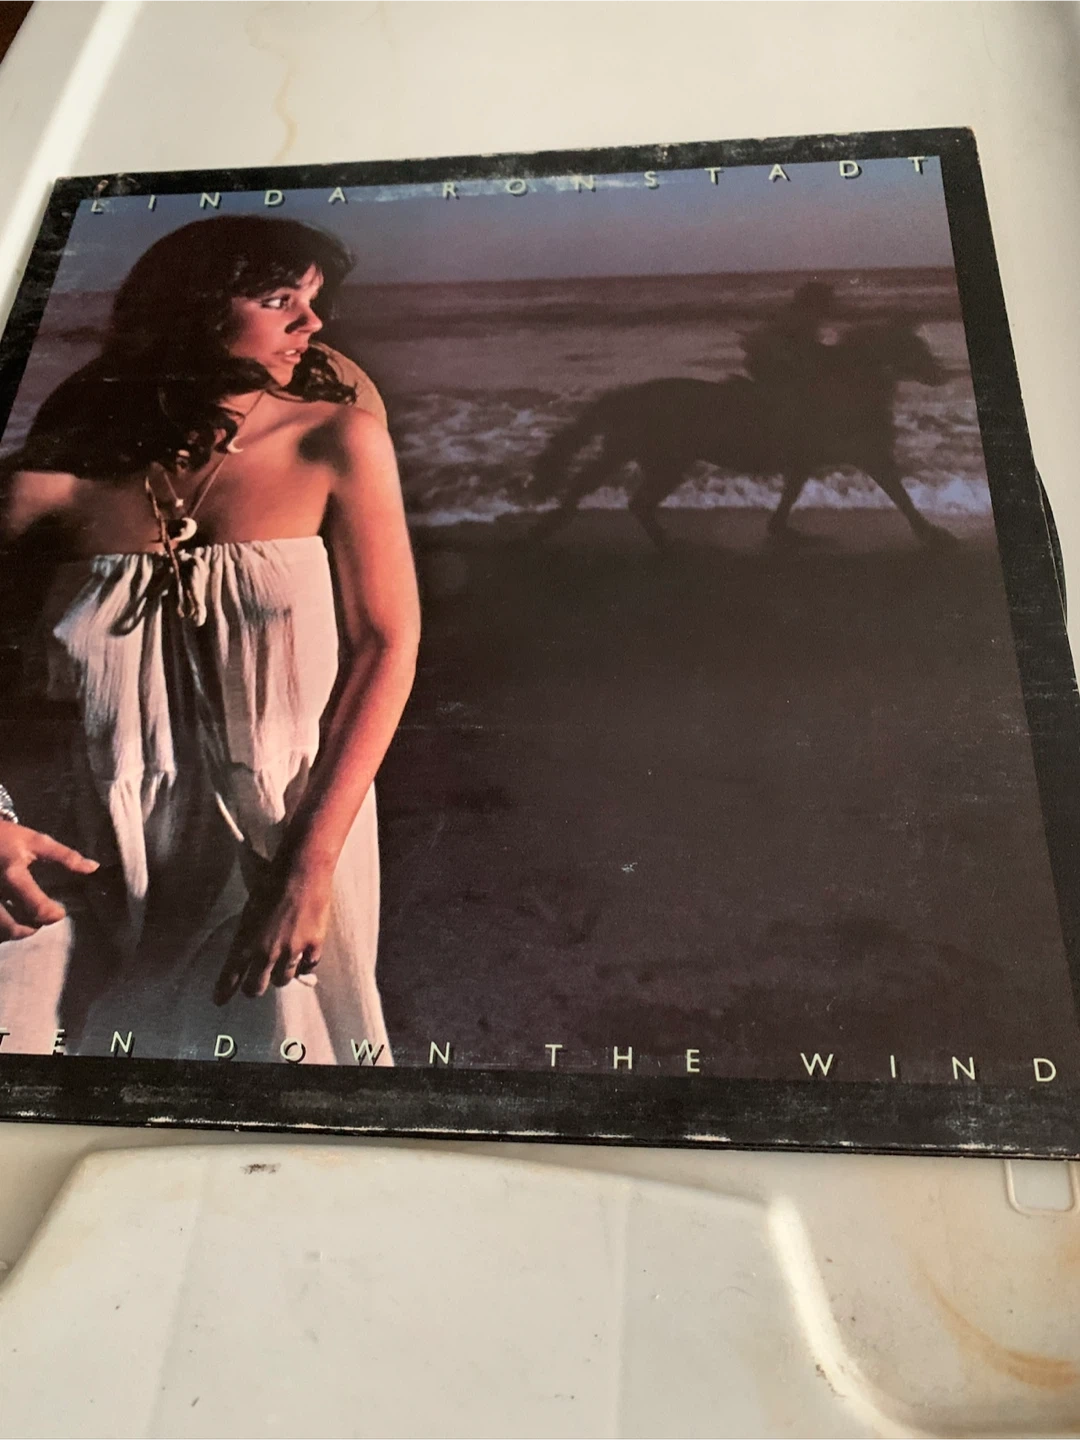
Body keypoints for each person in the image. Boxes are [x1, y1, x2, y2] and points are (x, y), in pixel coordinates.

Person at [0, 214, 420, 1063]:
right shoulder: (57, 482)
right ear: (191, 310)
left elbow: (386, 647)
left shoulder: (335, 440)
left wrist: (308, 871)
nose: (313, 322)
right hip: (78, 859)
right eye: (279, 300)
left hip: (277, 843)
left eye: (313, 299)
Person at [741, 279, 837, 396]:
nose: (830, 305)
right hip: (768, 361)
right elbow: (806, 347)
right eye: (828, 301)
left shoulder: (792, 312)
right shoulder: (805, 318)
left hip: (760, 358)